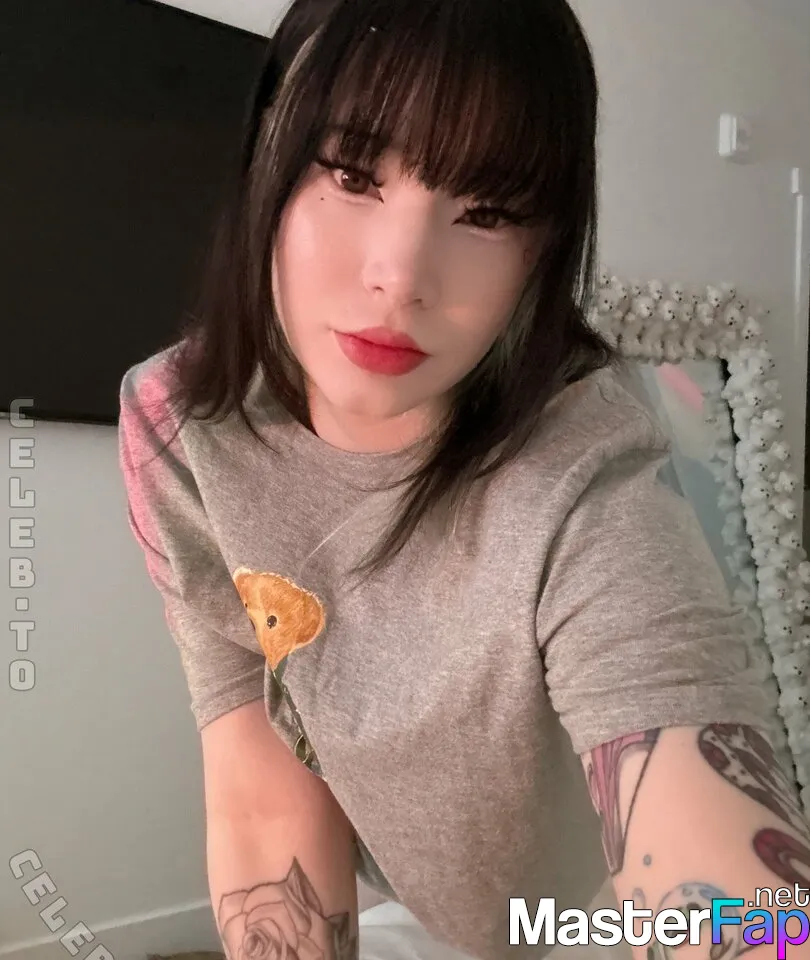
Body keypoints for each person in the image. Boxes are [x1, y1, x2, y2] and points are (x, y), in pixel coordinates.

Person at [117, 1, 810, 958]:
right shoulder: (179, 428)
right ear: (267, 151)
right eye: (352, 174)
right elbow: (264, 795)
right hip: (423, 916)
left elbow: (719, 878)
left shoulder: (581, 474)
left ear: (545, 248)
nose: (402, 276)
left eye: (487, 212)